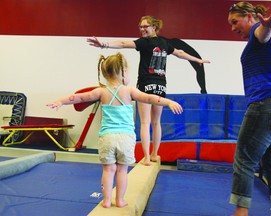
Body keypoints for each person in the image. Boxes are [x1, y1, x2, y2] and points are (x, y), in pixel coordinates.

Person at [47, 52, 183, 208]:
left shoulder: (101, 92)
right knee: (122, 171)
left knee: (108, 170)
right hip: (125, 138)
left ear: (105, 73)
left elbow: (78, 97)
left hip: (107, 137)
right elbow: (150, 98)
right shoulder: (129, 91)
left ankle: (106, 201)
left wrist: (60, 102)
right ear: (123, 71)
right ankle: (120, 200)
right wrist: (169, 102)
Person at [87, 15, 210, 166]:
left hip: (146, 86)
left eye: (146, 26)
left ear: (154, 27)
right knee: (155, 122)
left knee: (146, 122)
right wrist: (197, 60)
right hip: (160, 86)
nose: (142, 29)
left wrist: (104, 45)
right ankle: (153, 154)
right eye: (141, 26)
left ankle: (147, 156)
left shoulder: (145, 43)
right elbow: (179, 53)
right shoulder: (164, 42)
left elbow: (124, 44)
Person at [228, 2, 271, 216]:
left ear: (251, 17)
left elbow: (262, 34)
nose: (233, 28)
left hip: (267, 101)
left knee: (244, 158)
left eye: (235, 22)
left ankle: (241, 212)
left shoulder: (260, 32)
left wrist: (267, 27)